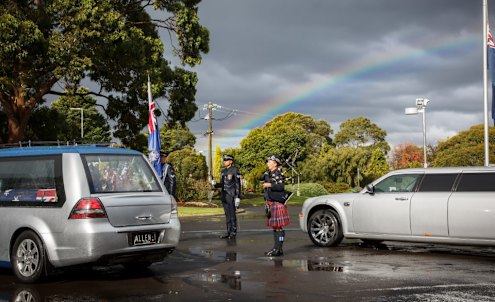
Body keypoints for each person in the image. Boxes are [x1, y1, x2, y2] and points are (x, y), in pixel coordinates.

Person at [261, 155, 290, 257]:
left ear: (275, 163)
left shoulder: (278, 173)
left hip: (277, 203)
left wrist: (270, 185)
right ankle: (276, 247)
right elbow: (261, 179)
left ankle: (279, 248)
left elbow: (281, 186)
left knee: (279, 228)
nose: (267, 163)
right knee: (275, 227)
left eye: (269, 162)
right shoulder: (269, 173)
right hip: (271, 202)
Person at [212, 154, 241, 239]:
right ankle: (228, 232)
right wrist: (215, 184)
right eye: (224, 160)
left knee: (232, 214)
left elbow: (237, 184)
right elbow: (222, 184)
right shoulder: (223, 171)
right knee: (227, 215)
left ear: (231, 161)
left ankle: (233, 232)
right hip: (224, 195)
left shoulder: (235, 170)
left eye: (226, 160)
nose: (224, 162)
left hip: (231, 194)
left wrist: (238, 196)